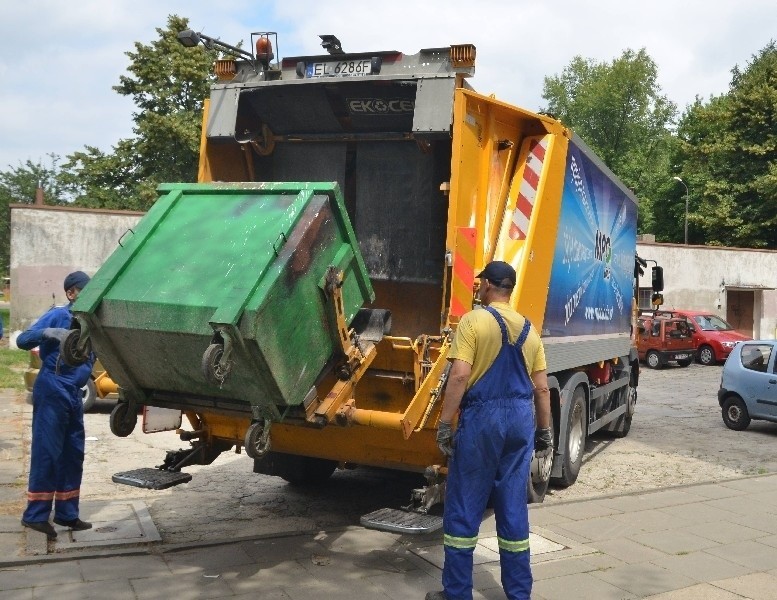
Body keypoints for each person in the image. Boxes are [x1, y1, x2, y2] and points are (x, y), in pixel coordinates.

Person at [426, 260, 552, 600]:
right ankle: (519, 594)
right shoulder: (530, 329)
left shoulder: (473, 322)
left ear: (487, 286)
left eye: (481, 283)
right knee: (513, 506)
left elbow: (460, 376)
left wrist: (443, 422)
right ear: (508, 288)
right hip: (520, 422)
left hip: (484, 421)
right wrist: (544, 432)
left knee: (465, 506)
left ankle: (456, 593)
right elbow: (541, 389)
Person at [17, 271, 95, 540]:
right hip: (52, 387)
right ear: (71, 293)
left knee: (73, 453)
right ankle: (35, 516)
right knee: (48, 452)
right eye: (84, 289)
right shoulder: (59, 315)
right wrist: (48, 332)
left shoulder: (90, 322)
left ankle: (66, 512)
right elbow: (22, 340)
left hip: (73, 392)